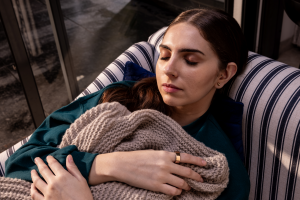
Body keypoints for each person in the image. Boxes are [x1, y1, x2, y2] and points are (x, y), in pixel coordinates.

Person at [5, 8, 250, 200]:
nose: (169, 70)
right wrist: (110, 165)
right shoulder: (120, 97)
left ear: (223, 74)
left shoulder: (222, 169)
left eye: (191, 60)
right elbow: (20, 163)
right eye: (164, 55)